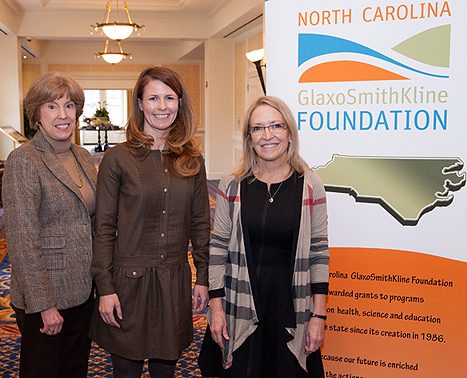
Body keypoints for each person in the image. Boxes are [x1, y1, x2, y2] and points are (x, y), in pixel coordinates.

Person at [90, 66, 211, 378]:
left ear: (180, 104)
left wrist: (203, 277)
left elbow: (200, 224)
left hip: (173, 282)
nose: (162, 106)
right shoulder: (118, 159)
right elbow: (102, 227)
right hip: (126, 285)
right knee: (126, 372)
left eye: (169, 98)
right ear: (140, 104)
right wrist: (105, 287)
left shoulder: (192, 160)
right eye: (153, 98)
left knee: (165, 372)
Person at [206, 96, 329, 377]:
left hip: (290, 306)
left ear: (289, 133)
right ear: (249, 138)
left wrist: (318, 316)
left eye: (276, 125)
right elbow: (218, 246)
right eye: (258, 128)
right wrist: (216, 306)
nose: (267, 135)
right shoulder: (233, 184)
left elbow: (319, 251)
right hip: (240, 304)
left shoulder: (310, 185)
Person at [2, 72, 97, 378]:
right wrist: (44, 305)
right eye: (52, 107)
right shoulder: (24, 160)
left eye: (69, 106)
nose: (63, 115)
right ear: (36, 114)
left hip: (83, 289)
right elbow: (22, 239)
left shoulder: (82, 155)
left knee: (75, 369)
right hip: (45, 296)